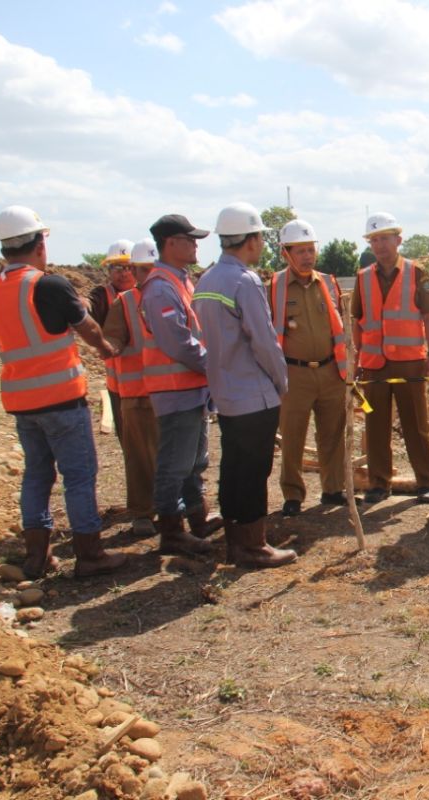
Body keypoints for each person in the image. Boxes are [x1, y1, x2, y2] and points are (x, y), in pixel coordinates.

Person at [0, 206, 126, 578]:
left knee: (37, 475)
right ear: (40, 243)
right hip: (61, 398)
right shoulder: (47, 284)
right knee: (79, 475)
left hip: (20, 402)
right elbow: (88, 327)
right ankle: (90, 555)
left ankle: (36, 557)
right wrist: (106, 349)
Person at [193, 202, 296, 568]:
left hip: (225, 393)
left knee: (234, 468)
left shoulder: (206, 280)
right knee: (254, 471)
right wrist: (281, 381)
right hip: (254, 395)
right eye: (260, 238)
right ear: (251, 240)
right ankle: (253, 546)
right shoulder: (245, 281)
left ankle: (236, 543)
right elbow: (264, 342)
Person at [142, 213, 222, 556]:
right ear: (171, 243)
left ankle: (197, 519)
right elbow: (177, 342)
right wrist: (216, 367)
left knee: (193, 460)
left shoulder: (181, 281)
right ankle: (172, 532)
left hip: (191, 387)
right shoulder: (160, 287)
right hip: (175, 389)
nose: (195, 246)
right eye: (190, 240)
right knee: (174, 464)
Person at [352, 212, 429, 506]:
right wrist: (358, 357)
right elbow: (357, 319)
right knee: (375, 426)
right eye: (374, 240)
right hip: (374, 365)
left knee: (416, 424)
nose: (379, 245)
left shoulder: (417, 273)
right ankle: (379, 483)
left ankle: (427, 481)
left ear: (398, 240)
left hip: (409, 362)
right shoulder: (362, 278)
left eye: (384, 239)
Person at [268, 219, 352, 516]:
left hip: (331, 371)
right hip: (294, 374)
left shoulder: (328, 283)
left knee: (332, 435)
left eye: (310, 250)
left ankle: (333, 489)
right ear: (285, 254)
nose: (307, 256)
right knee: (293, 437)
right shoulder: (274, 287)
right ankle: (293, 494)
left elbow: (342, 325)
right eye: (300, 251)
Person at [100, 238, 160, 538]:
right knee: (139, 456)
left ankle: (178, 508)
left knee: (178, 454)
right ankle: (143, 512)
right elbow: (111, 340)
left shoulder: (178, 293)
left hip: (175, 391)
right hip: (136, 392)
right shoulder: (121, 303)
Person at [89, 239, 137, 441]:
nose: (123, 272)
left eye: (128, 267)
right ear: (108, 270)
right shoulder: (102, 296)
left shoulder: (152, 293)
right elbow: (88, 307)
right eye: (117, 267)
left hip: (152, 383)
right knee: (128, 439)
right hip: (119, 384)